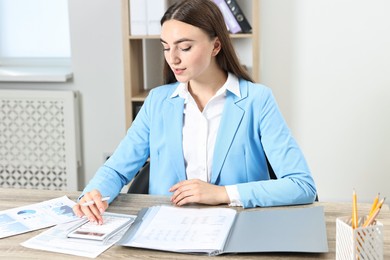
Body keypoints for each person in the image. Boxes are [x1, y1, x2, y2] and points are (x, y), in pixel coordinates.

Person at [73, 0, 317, 224]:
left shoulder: (257, 100)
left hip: (239, 226)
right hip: (167, 228)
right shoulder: (157, 102)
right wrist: (93, 193)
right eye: (166, 48)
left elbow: (301, 185)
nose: (173, 59)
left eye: (185, 47)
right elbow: (116, 169)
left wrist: (222, 193)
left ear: (216, 46)